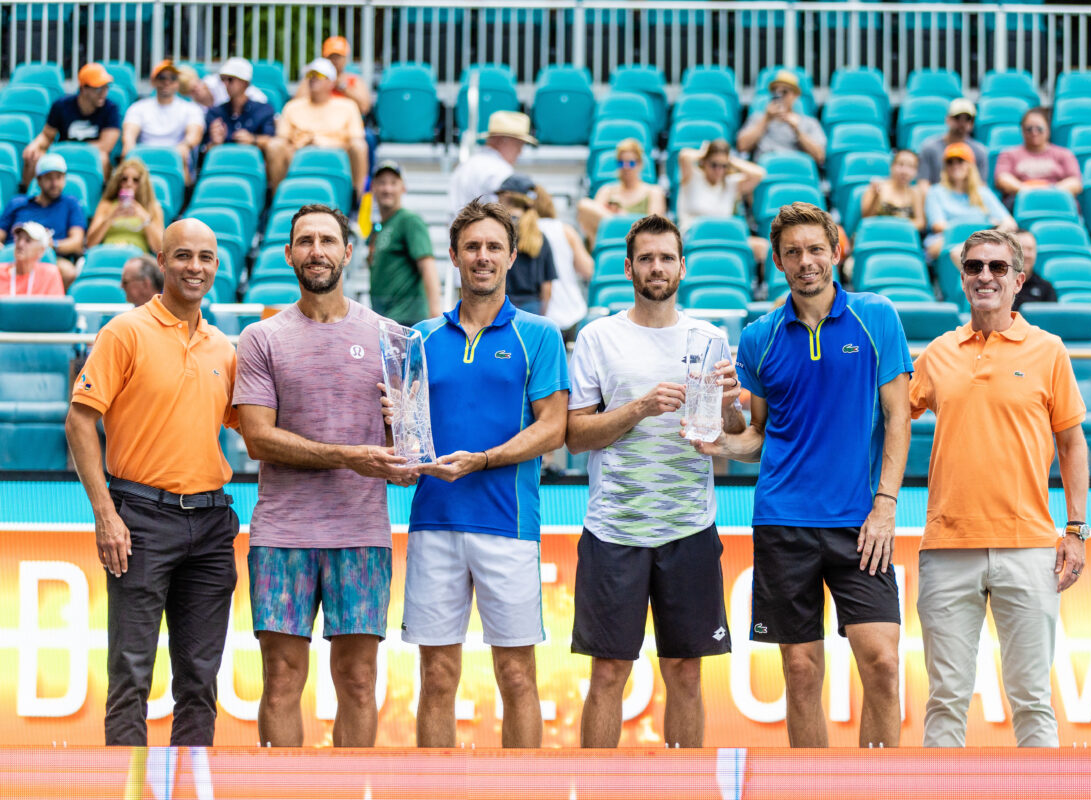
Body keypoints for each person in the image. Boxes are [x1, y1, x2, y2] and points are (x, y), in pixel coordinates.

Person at [691, 201, 911, 748]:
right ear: (777, 261)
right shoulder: (758, 337)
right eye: (793, 252)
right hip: (782, 522)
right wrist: (716, 440)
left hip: (862, 525)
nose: (806, 261)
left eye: (816, 249)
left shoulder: (876, 316)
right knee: (802, 672)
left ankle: (878, 792)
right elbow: (761, 438)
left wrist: (885, 506)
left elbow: (898, 418)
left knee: (882, 663)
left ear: (836, 252)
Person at [234, 203, 413, 748]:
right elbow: (258, 437)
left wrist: (395, 436)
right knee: (283, 680)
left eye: (327, 240)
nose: (317, 250)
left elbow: (403, 460)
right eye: (305, 241)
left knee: (358, 682)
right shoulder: (261, 338)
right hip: (282, 534)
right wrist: (350, 455)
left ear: (348, 251)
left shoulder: (391, 338)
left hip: (359, 535)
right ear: (288, 254)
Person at [567, 213, 744, 748]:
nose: (657, 267)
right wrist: (639, 408)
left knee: (686, 673)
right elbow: (575, 437)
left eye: (666, 257)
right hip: (613, 532)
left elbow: (731, 434)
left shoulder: (709, 337)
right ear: (628, 267)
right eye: (646, 258)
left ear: (683, 267)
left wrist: (732, 404)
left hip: (688, 530)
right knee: (607, 676)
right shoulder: (598, 337)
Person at [910, 229, 1089, 747]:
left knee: (1033, 699)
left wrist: (1075, 530)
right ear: (962, 277)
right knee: (945, 700)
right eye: (973, 267)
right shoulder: (938, 354)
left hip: (1030, 546)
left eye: (996, 267)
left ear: (1018, 279)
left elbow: (1073, 445)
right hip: (946, 547)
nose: (984, 276)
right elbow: (892, 418)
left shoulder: (1048, 350)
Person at [64, 218, 240, 746]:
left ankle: (188, 785)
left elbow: (255, 430)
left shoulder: (223, 348)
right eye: (182, 256)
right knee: (131, 678)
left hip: (211, 524)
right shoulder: (125, 331)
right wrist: (105, 513)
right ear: (161, 262)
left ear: (216, 267)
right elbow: (78, 421)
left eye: (206, 258)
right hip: (139, 518)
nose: (195, 267)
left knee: (199, 684)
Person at [403, 199, 569, 748]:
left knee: (518, 678)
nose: (483, 256)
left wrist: (485, 459)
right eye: (472, 246)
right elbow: (403, 432)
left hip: (509, 527)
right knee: (436, 679)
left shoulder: (539, 335)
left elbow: (553, 428)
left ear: (511, 255)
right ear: (453, 255)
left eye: (494, 246)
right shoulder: (418, 339)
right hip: (433, 525)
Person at [268, 58, 368, 199]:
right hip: (298, 151)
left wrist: (323, 143)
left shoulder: (348, 106)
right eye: (310, 75)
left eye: (319, 76)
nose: (313, 79)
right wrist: (303, 144)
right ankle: (278, 198)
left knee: (359, 146)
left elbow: (356, 139)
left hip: (337, 152)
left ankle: (358, 200)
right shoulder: (292, 106)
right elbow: (282, 138)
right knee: (275, 146)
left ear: (332, 82)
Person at [367, 160, 440, 325]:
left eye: (393, 183)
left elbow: (427, 265)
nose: (387, 189)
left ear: (403, 188)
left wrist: (435, 314)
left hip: (407, 318)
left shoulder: (409, 220)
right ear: (373, 188)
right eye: (382, 183)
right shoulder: (378, 228)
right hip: (384, 318)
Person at [22, 63, 121, 183]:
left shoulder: (111, 108)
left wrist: (70, 148)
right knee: (35, 156)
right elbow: (47, 135)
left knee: (102, 158)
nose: (103, 93)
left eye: (106, 87)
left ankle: (100, 198)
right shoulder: (61, 106)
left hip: (89, 155)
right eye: (98, 88)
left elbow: (106, 145)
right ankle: (30, 198)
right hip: (62, 155)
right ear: (84, 88)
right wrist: (35, 145)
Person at [0, 153, 87, 286]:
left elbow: (76, 242)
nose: (54, 183)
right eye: (49, 178)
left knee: (68, 271)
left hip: (51, 258)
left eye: (59, 177)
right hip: (14, 256)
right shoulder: (18, 203)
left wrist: (50, 244)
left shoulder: (70, 203)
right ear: (39, 180)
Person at [677, 139, 768, 264]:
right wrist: (705, 153)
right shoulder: (692, 176)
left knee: (762, 247)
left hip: (724, 236)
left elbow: (759, 174)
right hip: (693, 235)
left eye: (723, 166)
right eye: (714, 164)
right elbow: (684, 156)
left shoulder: (730, 183)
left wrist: (730, 160)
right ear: (704, 162)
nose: (719, 170)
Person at [924, 143, 1015, 260]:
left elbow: (1009, 222)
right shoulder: (936, 191)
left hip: (982, 241)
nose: (955, 166)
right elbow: (938, 225)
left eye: (960, 161)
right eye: (950, 162)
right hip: (951, 239)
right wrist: (984, 227)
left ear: (970, 165)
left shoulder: (982, 192)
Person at [122, 60, 206, 184]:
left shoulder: (191, 108)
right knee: (128, 154)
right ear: (153, 82)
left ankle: (183, 200)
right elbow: (129, 135)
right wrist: (129, 146)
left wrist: (184, 146)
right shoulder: (138, 107)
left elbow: (194, 135)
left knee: (182, 155)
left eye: (172, 78)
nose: (167, 82)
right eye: (161, 78)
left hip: (175, 155)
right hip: (145, 156)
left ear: (177, 83)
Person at [447, 111, 536, 218]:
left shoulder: (466, 165)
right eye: (519, 145)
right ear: (505, 140)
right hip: (484, 231)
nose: (520, 152)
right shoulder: (499, 170)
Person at [576, 138, 667, 244]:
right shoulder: (607, 190)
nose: (626, 168)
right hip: (611, 240)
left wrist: (622, 216)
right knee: (584, 205)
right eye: (622, 163)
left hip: (641, 243)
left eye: (631, 163)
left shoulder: (654, 191)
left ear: (640, 164)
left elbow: (654, 226)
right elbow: (592, 221)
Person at [535, 183, 593, 337]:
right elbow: (588, 270)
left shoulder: (520, 231)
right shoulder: (565, 230)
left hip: (540, 315)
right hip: (572, 312)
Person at [496, 173, 558, 315]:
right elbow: (547, 287)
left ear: (506, 197)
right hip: (532, 308)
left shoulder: (498, 231)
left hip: (501, 305)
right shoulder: (540, 236)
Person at [736, 69, 826, 165]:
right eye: (775, 92)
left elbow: (819, 156)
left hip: (795, 170)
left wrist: (797, 130)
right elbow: (742, 147)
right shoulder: (757, 118)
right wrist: (766, 119)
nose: (780, 96)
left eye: (784, 92)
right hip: (765, 172)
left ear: (795, 95)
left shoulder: (809, 122)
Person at [994, 108, 1083, 205]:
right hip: (1021, 201)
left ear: (1048, 129)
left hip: (1056, 200)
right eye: (1029, 129)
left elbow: (1075, 183)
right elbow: (1002, 179)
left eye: (1039, 129)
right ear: (1022, 130)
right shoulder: (1009, 154)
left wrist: (1050, 191)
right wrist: (1025, 190)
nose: (1034, 133)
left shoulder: (1064, 154)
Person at [85, 159, 165, 254]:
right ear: (118, 182)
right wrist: (110, 217)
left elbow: (160, 248)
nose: (129, 183)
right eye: (124, 179)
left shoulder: (152, 207)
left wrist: (145, 219)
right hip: (108, 254)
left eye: (135, 180)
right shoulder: (106, 205)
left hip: (137, 259)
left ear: (143, 184)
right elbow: (90, 243)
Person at [203, 58, 276, 156]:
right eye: (223, 79)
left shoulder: (263, 110)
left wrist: (253, 139)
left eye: (230, 79)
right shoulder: (214, 112)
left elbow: (272, 141)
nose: (226, 84)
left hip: (252, 165)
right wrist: (215, 143)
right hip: (225, 162)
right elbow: (203, 153)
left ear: (244, 83)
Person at [917, 98, 988, 189]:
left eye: (968, 119)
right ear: (948, 119)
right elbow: (923, 184)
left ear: (973, 123)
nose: (962, 123)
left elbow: (981, 187)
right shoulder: (929, 148)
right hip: (937, 200)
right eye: (957, 118)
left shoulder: (979, 151)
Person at [293, 36, 372, 116]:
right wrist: (315, 84)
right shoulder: (312, 78)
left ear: (346, 59)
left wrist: (343, 87)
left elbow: (364, 108)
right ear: (324, 57)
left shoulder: (353, 80)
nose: (334, 60)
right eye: (331, 56)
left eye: (338, 56)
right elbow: (296, 104)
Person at [860, 149, 926, 232]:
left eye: (911, 166)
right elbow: (866, 218)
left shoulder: (915, 193)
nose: (904, 171)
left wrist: (897, 227)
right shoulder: (877, 187)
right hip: (877, 233)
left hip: (901, 236)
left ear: (916, 172)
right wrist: (875, 196)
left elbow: (920, 222)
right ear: (892, 166)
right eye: (900, 164)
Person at [0, 221, 64, 296]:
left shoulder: (50, 274)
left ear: (41, 250)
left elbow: (55, 306)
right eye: (18, 238)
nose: (20, 244)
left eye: (28, 240)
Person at [1011, 229, 1057, 311]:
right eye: (1021, 249)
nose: (1026, 254)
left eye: (1030, 249)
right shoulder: (1002, 284)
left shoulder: (1046, 288)